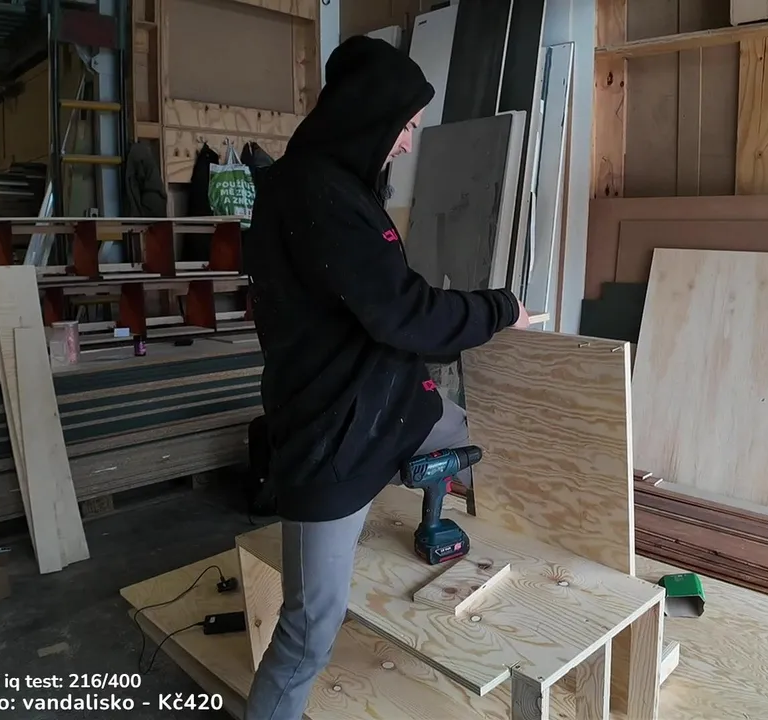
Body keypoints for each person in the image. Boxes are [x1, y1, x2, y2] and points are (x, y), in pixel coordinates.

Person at [240, 35, 530, 720]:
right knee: (308, 631)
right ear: (370, 116)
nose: (406, 143)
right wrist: (501, 309)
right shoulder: (320, 194)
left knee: (464, 433)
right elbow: (406, 314)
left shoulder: (330, 186)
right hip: (333, 435)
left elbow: (383, 298)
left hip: (382, 404)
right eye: (405, 126)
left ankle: (431, 511)